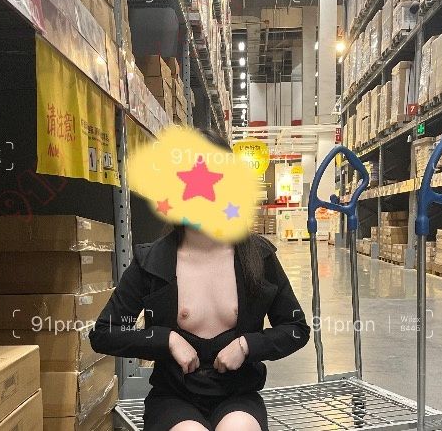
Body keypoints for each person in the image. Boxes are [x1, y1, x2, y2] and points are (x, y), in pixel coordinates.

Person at [89, 133, 310, 431]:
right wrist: (165, 339)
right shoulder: (152, 261)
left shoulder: (257, 257)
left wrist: (247, 345)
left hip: (238, 395)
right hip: (173, 397)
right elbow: (105, 333)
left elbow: (296, 329)